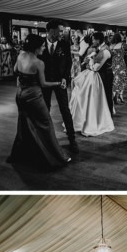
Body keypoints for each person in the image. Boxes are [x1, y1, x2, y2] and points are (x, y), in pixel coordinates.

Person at [6, 34, 72, 169]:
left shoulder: (20, 55)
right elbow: (43, 84)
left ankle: (26, 153)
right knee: (46, 123)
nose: (43, 48)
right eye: (42, 46)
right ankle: (56, 156)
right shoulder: (39, 63)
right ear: (36, 47)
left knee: (24, 123)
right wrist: (58, 83)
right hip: (34, 96)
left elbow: (15, 70)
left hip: (20, 95)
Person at [40, 19, 79, 153]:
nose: (62, 33)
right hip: (44, 82)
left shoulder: (64, 44)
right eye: (60, 30)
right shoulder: (40, 44)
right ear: (51, 30)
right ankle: (46, 138)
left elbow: (68, 63)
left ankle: (72, 139)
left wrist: (64, 78)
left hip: (60, 82)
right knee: (45, 109)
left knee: (65, 109)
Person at [70, 34, 115, 137]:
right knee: (99, 97)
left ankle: (107, 118)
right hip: (99, 75)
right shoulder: (98, 49)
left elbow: (96, 68)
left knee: (107, 97)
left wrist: (89, 62)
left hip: (105, 76)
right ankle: (99, 117)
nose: (92, 41)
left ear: (99, 40)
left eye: (94, 39)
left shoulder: (106, 51)